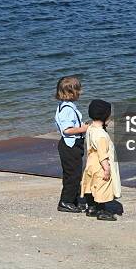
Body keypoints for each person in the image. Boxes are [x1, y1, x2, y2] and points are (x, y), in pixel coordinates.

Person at [81, 99, 121, 221]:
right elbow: (102, 154)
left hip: (90, 163)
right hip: (99, 165)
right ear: (105, 116)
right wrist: (107, 168)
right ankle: (102, 211)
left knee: (90, 185)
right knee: (103, 186)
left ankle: (91, 208)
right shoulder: (102, 135)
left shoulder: (90, 128)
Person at [54, 76, 88, 213]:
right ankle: (65, 201)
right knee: (73, 174)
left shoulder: (66, 106)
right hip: (70, 146)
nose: (80, 93)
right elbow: (67, 130)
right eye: (78, 91)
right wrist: (84, 128)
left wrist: (81, 126)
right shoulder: (67, 109)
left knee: (73, 173)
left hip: (73, 144)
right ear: (71, 93)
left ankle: (73, 200)